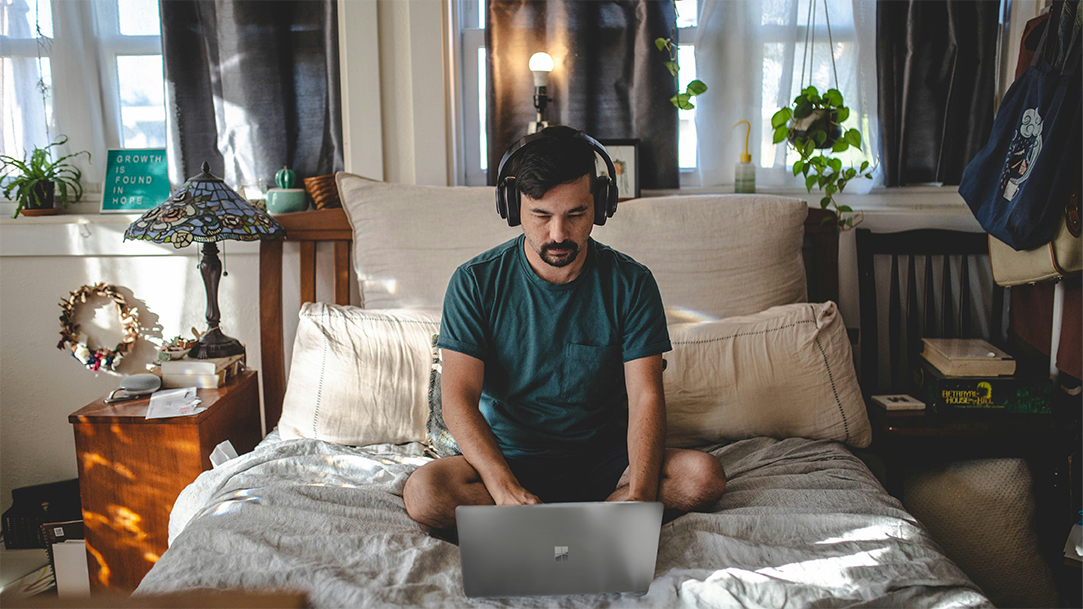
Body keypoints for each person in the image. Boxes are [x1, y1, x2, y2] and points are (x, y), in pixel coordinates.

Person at [403, 126, 726, 530]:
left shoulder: (632, 282)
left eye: (576, 215)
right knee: (424, 494)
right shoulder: (474, 282)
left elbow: (645, 395)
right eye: (541, 215)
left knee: (702, 478)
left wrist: (640, 498)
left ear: (602, 206)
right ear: (512, 206)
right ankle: (570, 519)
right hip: (509, 460)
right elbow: (458, 400)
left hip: (607, 462)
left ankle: (593, 515)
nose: (558, 234)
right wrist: (505, 491)